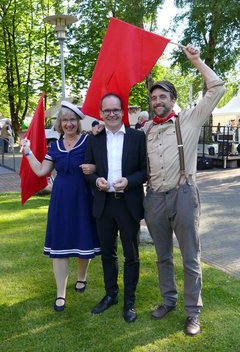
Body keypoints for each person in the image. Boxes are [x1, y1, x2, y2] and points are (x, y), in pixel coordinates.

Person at [142, 45, 225, 336]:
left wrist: (197, 61)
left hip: (183, 194)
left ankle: (193, 313)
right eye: (153, 98)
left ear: (172, 99)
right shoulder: (147, 129)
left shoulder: (189, 119)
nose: (157, 101)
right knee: (162, 256)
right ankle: (169, 300)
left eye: (162, 96)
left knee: (190, 256)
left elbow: (217, 88)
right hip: (153, 198)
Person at [20, 101, 101, 312]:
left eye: (72, 119)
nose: (69, 124)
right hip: (61, 201)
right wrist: (28, 152)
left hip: (84, 198)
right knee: (59, 248)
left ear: (78, 122)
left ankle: (82, 277)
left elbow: (101, 163)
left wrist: (94, 165)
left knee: (83, 241)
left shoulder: (88, 141)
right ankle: (61, 293)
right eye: (65, 120)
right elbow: (40, 171)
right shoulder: (53, 147)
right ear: (59, 123)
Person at [84, 93, 147, 323]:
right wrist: (96, 180)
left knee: (131, 255)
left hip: (128, 204)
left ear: (123, 111)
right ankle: (111, 294)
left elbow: (145, 170)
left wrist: (129, 181)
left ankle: (129, 301)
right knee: (108, 254)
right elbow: (89, 170)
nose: (111, 114)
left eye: (115, 110)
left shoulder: (137, 137)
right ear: (101, 113)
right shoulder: (94, 138)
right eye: (107, 110)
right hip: (104, 204)